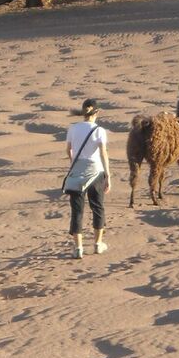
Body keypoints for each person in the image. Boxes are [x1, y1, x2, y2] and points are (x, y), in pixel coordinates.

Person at [65, 97, 111, 259]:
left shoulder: (73, 128)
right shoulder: (99, 130)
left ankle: (78, 248)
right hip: (96, 171)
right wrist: (108, 175)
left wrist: (74, 163)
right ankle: (98, 244)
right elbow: (103, 153)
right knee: (97, 207)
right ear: (96, 112)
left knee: (77, 210)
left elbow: (69, 150)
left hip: (77, 171)